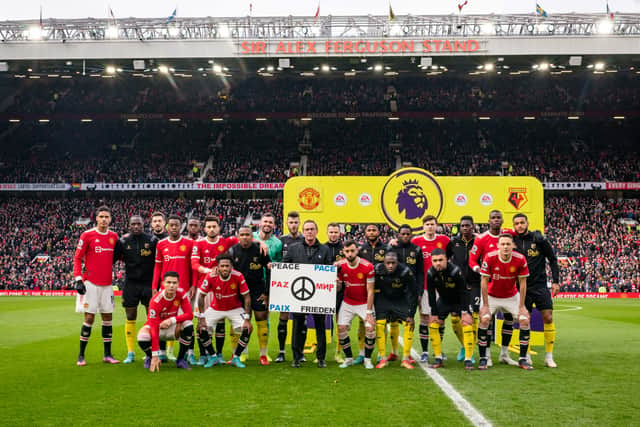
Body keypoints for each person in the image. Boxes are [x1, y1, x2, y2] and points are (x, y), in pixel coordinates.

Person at [477, 234, 533, 370]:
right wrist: (485, 305)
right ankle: (484, 358)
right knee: (484, 319)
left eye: (508, 244)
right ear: (498, 246)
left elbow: (523, 283)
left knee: (524, 320)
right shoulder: (490, 257)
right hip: (492, 296)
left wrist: (521, 306)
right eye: (502, 244)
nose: (505, 247)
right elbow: (484, 281)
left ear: (513, 245)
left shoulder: (520, 259)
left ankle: (522, 359)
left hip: (511, 296)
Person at [282, 219, 333, 368]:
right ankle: (297, 357)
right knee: (297, 326)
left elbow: (329, 269)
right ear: (303, 232)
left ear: (316, 231)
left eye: (312, 229)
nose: (309, 232)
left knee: (320, 326)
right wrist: (276, 268)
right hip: (299, 296)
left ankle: (321, 358)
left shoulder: (324, 249)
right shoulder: (293, 248)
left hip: (319, 296)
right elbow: (285, 266)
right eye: (307, 229)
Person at [73, 206, 120, 366]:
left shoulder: (114, 236)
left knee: (108, 318)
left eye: (107, 217)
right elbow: (78, 258)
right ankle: (81, 355)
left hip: (107, 285)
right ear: (96, 218)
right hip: (91, 284)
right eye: (101, 216)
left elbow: (118, 255)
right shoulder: (87, 235)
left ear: (110, 219)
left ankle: (107, 354)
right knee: (89, 318)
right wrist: (78, 279)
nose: (104, 219)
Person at [468, 210, 516, 366]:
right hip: (489, 288)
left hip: (508, 285)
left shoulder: (509, 236)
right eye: (493, 218)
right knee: (486, 319)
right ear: (488, 220)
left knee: (510, 319)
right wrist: (479, 271)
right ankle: (486, 355)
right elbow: (472, 260)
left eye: (498, 218)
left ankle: (504, 353)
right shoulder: (481, 239)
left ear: (502, 220)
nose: (496, 220)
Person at [512, 213, 560, 368]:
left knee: (548, 317)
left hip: (540, 285)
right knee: (524, 320)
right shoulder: (512, 241)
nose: (519, 225)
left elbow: (552, 259)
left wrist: (556, 281)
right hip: (522, 287)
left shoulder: (539, 240)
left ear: (527, 223)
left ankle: (549, 356)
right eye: (517, 223)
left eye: (522, 222)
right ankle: (525, 355)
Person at [191, 216, 239, 364]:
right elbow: (194, 264)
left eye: (214, 226)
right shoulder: (198, 244)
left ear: (219, 228)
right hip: (203, 290)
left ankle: (218, 354)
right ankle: (204, 354)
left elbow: (245, 239)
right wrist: (208, 270)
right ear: (204, 229)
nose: (211, 229)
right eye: (209, 227)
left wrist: (261, 242)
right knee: (201, 321)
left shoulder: (225, 241)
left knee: (220, 322)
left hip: (220, 290)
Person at [114, 215, 157, 364]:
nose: (136, 226)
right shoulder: (123, 241)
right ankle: (130, 352)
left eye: (139, 224)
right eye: (134, 224)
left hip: (148, 283)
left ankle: (149, 352)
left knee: (150, 316)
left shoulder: (152, 240)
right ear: (129, 226)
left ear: (144, 225)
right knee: (130, 315)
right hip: (131, 283)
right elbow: (112, 259)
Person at [197, 254, 253, 369]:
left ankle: (236, 357)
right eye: (222, 266)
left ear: (231, 266)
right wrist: (202, 317)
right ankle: (213, 357)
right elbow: (201, 296)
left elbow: (247, 297)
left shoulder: (238, 276)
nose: (225, 268)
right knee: (201, 328)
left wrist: (247, 318)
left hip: (234, 308)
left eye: (227, 266)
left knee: (247, 328)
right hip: (216, 308)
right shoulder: (210, 276)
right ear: (217, 266)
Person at [151, 214, 194, 362]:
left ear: (181, 226)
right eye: (171, 225)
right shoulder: (161, 244)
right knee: (162, 319)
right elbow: (157, 266)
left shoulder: (189, 244)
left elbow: (192, 267)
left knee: (186, 323)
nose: (174, 227)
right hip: (165, 291)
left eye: (176, 225)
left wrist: (193, 285)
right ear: (167, 226)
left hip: (184, 290)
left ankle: (188, 353)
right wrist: (154, 286)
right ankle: (162, 352)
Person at [228, 226, 272, 365]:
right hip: (238, 292)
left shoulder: (260, 249)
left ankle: (263, 354)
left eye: (247, 234)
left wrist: (266, 293)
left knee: (261, 318)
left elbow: (269, 269)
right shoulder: (232, 250)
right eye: (242, 234)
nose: (245, 237)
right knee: (237, 322)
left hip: (257, 290)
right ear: (238, 235)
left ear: (251, 236)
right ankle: (239, 354)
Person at [426, 249, 475, 370]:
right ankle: (438, 358)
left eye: (440, 260)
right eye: (435, 261)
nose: (438, 263)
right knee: (433, 324)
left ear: (446, 260)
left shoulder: (455, 271)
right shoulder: (430, 273)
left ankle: (468, 359)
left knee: (467, 324)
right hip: (444, 301)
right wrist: (434, 312)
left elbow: (464, 292)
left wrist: (464, 312)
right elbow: (431, 294)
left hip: (460, 301)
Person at [411, 215, 450, 363]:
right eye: (427, 224)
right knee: (425, 318)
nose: (430, 227)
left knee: (440, 319)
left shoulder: (445, 240)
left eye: (432, 224)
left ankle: (438, 350)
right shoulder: (416, 241)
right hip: (426, 287)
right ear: (423, 226)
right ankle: (425, 351)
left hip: (442, 286)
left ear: (436, 225)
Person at [137, 271, 194, 371]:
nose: (171, 285)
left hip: (172, 327)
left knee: (189, 325)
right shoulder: (156, 300)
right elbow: (153, 327)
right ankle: (150, 357)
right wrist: (155, 354)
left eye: (174, 283)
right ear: (163, 284)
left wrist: (172, 320)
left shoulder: (181, 294)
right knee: (142, 337)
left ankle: (180, 360)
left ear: (178, 283)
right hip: (156, 328)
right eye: (168, 282)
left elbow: (189, 314)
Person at [335, 240, 376, 369]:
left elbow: (370, 291)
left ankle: (368, 359)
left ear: (357, 251)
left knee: (370, 328)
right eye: (347, 251)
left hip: (364, 303)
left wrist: (369, 312)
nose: (350, 254)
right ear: (343, 252)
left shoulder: (367, 266)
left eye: (352, 251)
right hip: (348, 302)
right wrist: (336, 283)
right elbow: (339, 289)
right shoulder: (340, 266)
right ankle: (348, 358)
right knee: (341, 328)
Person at [374, 251, 417, 369]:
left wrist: (411, 314)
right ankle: (382, 358)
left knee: (409, 324)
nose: (390, 266)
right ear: (384, 262)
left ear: (398, 262)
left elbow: (414, 292)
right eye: (388, 263)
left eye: (393, 263)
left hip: (400, 300)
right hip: (383, 300)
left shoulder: (405, 272)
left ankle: (405, 358)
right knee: (380, 324)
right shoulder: (377, 270)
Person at [388, 224, 424, 364]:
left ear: (411, 235)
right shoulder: (391, 249)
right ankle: (394, 352)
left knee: (409, 320)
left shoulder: (416, 250)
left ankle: (406, 355)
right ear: (398, 235)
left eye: (408, 234)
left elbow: (420, 272)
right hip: (395, 290)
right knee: (393, 320)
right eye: (402, 234)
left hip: (411, 291)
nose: (405, 236)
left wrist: (419, 290)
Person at [447, 216, 480, 362]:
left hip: (475, 284)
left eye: (468, 225)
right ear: (460, 227)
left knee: (472, 318)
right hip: (456, 286)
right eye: (463, 226)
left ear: (473, 227)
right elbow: (446, 259)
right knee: (454, 319)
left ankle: (469, 352)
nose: (465, 228)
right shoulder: (453, 242)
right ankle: (464, 345)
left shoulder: (479, 241)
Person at [274, 211, 304, 363]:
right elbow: (278, 260)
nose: (293, 225)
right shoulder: (281, 241)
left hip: (301, 284)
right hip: (286, 284)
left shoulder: (305, 239)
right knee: (283, 317)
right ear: (287, 223)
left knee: (301, 318)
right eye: (291, 222)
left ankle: (300, 352)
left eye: (296, 222)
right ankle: (281, 351)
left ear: (299, 223)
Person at [355, 224, 386, 364]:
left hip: (381, 291)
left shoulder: (387, 249)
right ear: (365, 232)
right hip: (364, 291)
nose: (372, 232)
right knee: (362, 323)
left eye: (374, 230)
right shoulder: (361, 250)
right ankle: (361, 354)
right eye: (369, 230)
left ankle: (381, 353)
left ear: (379, 232)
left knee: (381, 323)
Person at [325, 222, 345, 363]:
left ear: (340, 233)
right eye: (331, 232)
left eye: (335, 232)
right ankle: (322, 353)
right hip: (324, 290)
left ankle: (338, 353)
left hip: (341, 290)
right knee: (323, 322)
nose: (333, 234)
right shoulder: (321, 248)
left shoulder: (345, 249)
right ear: (327, 233)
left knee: (340, 321)